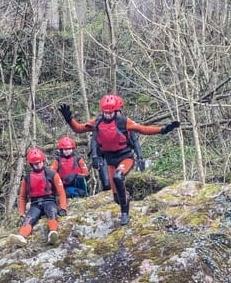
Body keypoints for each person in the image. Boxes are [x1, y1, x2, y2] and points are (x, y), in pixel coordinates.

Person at [59, 94, 178, 225]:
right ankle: (125, 198)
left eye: (110, 113)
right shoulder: (98, 122)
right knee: (116, 197)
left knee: (118, 176)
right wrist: (69, 119)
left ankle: (125, 213)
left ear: (116, 111)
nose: (108, 115)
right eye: (105, 112)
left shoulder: (123, 121)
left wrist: (162, 130)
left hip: (125, 157)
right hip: (110, 160)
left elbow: (142, 129)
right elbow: (79, 129)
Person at [13, 148, 68, 245]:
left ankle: (52, 232)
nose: (38, 165)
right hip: (35, 204)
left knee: (52, 212)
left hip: (49, 201)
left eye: (39, 162)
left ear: (43, 161)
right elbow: (22, 197)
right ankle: (22, 237)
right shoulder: (27, 178)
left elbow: (61, 192)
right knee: (29, 219)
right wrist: (21, 213)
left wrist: (63, 208)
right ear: (31, 164)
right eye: (35, 164)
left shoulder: (52, 174)